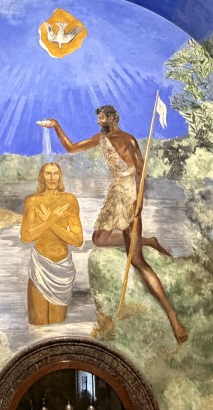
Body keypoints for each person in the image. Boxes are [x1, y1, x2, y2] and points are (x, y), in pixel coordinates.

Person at [41, 106, 188, 343]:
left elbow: (140, 171)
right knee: (99, 238)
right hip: (115, 192)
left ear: (112, 118)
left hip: (130, 194)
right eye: (98, 118)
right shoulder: (101, 139)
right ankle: (148, 241)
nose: (98, 121)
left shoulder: (128, 140)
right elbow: (71, 147)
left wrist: (138, 202)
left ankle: (173, 317)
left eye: (102, 118)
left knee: (137, 261)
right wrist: (57, 126)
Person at [20, 162, 83, 325]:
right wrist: (52, 219)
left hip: (62, 270)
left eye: (55, 173)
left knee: (57, 328)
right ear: (42, 177)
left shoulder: (69, 200)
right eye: (48, 173)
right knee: (38, 327)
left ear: (60, 176)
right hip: (40, 267)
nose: (52, 178)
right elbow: (26, 237)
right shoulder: (32, 201)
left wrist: (50, 222)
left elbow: (77, 240)